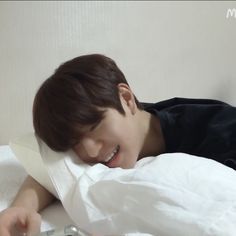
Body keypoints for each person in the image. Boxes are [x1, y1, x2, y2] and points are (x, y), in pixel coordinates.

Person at [1, 54, 236, 235]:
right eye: (75, 144)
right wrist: (21, 208)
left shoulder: (218, 131)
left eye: (94, 127)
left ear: (126, 99)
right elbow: (50, 168)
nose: (90, 151)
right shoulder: (127, 123)